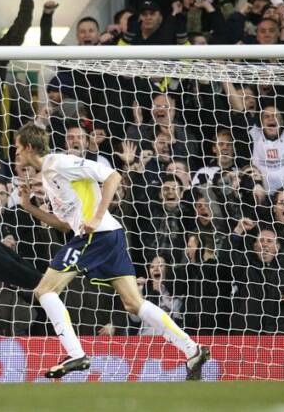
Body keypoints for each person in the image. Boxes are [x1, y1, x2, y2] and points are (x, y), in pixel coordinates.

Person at [13, 122, 210, 380]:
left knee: (44, 290)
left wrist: (96, 217)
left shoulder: (59, 163)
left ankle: (75, 354)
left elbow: (113, 176)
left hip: (96, 235)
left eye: (17, 147)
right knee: (133, 302)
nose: (15, 153)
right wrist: (29, 207)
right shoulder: (50, 177)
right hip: (109, 235)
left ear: (28, 146)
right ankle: (191, 349)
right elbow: (64, 224)